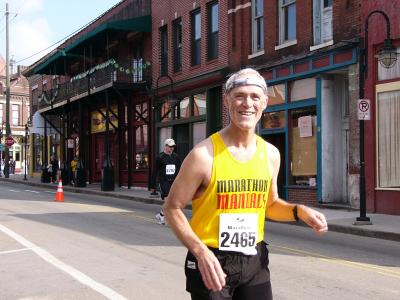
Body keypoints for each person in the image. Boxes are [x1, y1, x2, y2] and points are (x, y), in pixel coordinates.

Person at [163, 68, 328, 300]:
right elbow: (172, 208)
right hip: (212, 259)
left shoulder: (270, 154)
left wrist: (298, 211)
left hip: (254, 260)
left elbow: (270, 205)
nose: (247, 103)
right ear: (226, 100)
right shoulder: (203, 155)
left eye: (254, 97)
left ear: (264, 103)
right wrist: (200, 252)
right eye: (239, 95)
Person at [150, 138, 181, 225]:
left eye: (173, 147)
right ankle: (163, 217)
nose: (171, 148)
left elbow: (179, 169)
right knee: (168, 200)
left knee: (172, 201)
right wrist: (152, 185)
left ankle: (161, 214)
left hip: (173, 181)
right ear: (166, 146)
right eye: (170, 146)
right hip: (163, 181)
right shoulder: (160, 157)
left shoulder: (176, 157)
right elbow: (155, 171)